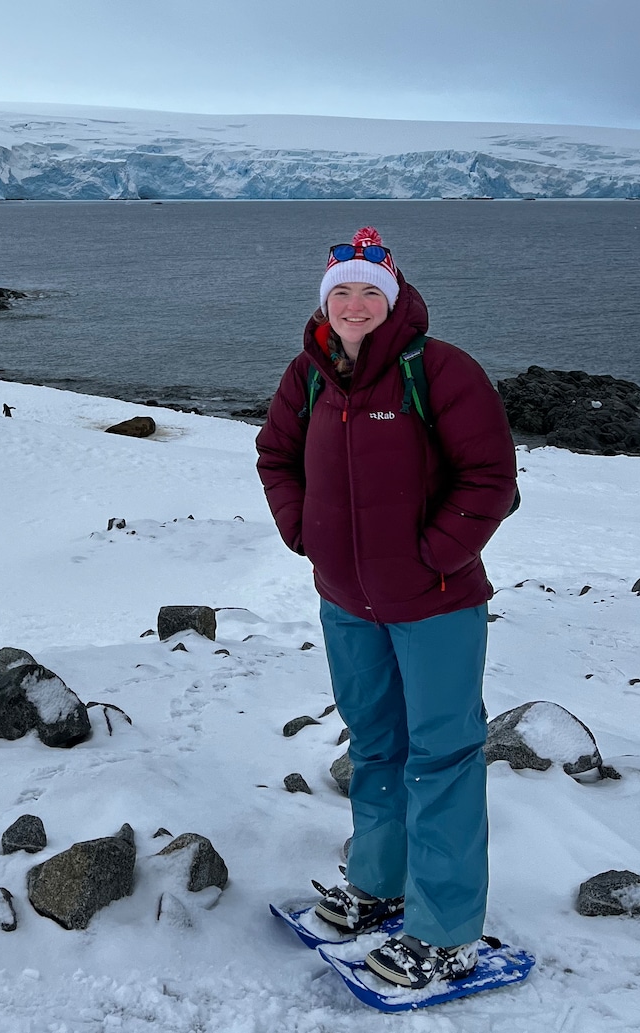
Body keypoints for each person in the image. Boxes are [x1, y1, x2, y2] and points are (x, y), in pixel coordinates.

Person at [255, 226, 517, 990]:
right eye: (343, 291)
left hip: (435, 603)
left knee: (442, 758)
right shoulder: (307, 376)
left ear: (393, 299)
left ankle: (445, 932)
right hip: (346, 603)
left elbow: (490, 476)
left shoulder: (440, 371)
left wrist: (434, 554)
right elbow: (275, 455)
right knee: (375, 746)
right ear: (325, 303)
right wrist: (304, 532)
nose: (356, 303)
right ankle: (378, 886)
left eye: (372, 290)